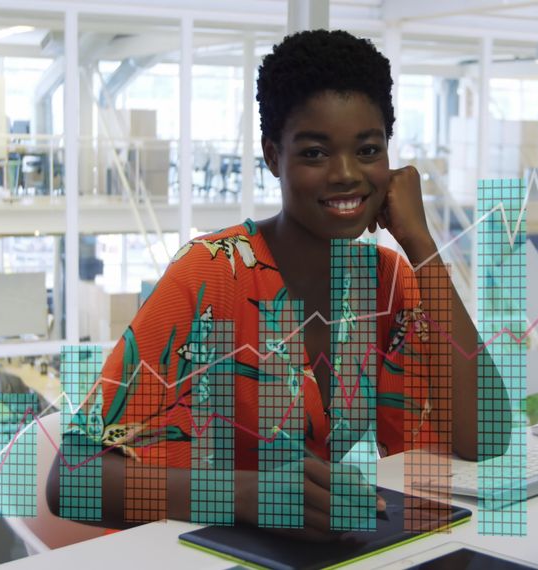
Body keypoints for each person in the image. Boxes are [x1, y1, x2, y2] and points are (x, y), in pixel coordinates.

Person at [47, 29, 498, 541]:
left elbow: (483, 438)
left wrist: (421, 244)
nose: (346, 174)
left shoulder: (386, 280)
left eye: (368, 150)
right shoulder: (210, 274)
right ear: (272, 156)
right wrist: (246, 495)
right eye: (314, 153)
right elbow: (70, 482)